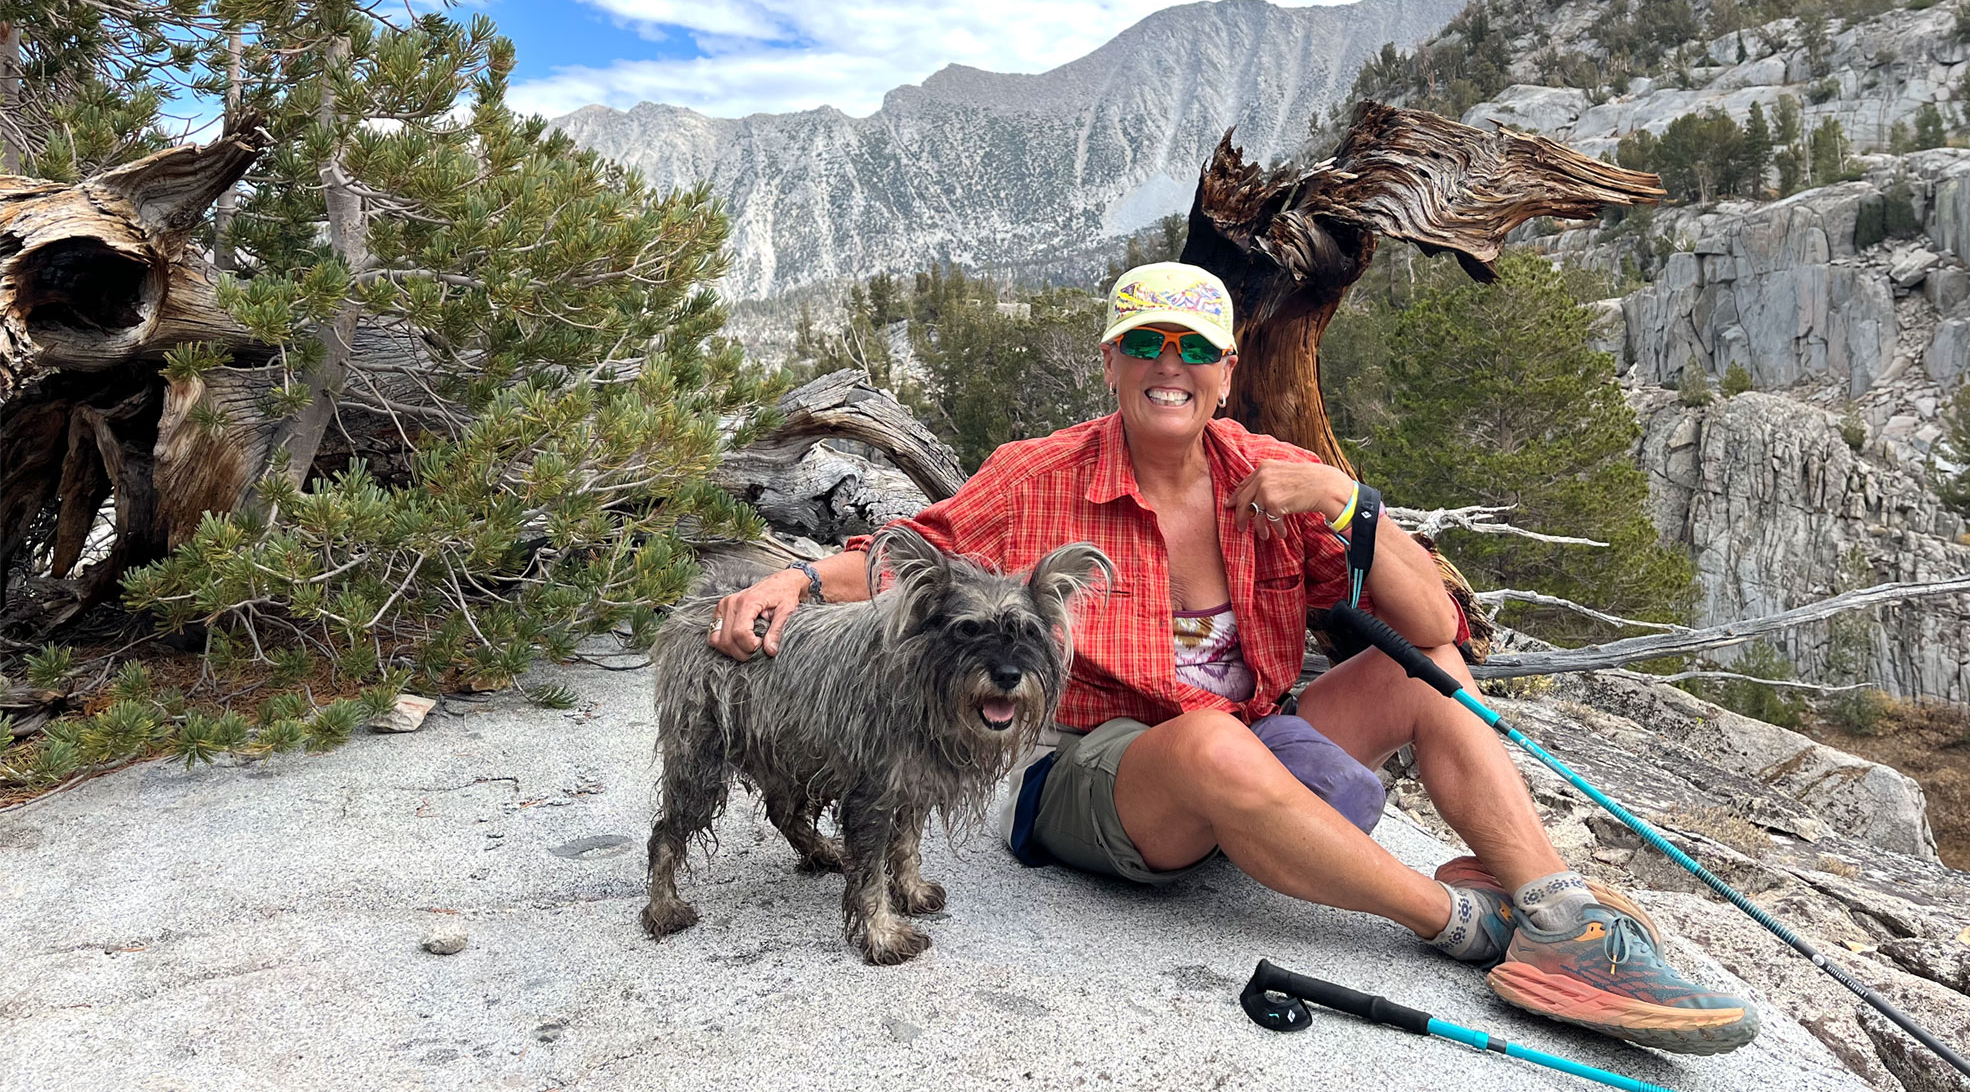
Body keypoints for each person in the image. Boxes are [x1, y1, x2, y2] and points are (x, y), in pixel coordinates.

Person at [708, 262, 1758, 1054]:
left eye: (1195, 349)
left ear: (1227, 372)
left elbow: (1435, 627)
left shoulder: (1274, 472)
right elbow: (916, 555)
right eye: (1147, 344)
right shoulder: (1042, 474)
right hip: (1096, 771)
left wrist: (1350, 505)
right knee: (1208, 738)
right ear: (1112, 362)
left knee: (1416, 677)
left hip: (1253, 746)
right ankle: (1465, 925)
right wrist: (793, 585)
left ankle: (1559, 914)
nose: (1172, 365)